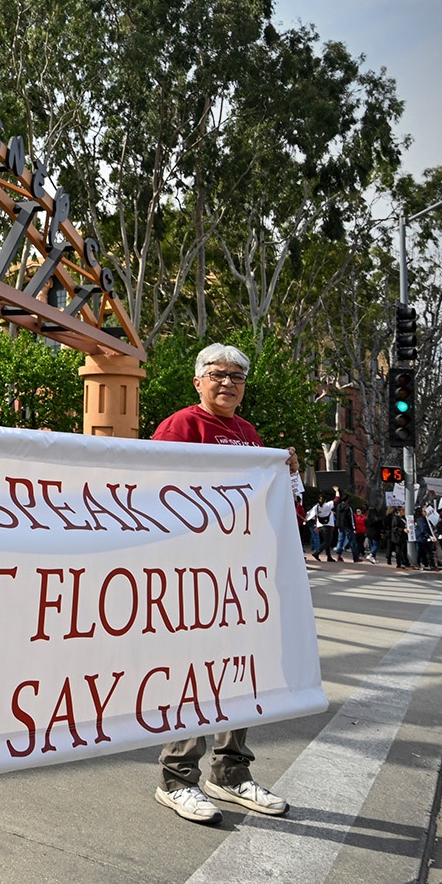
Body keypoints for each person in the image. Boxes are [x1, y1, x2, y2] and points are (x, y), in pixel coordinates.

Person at [147, 342, 295, 826]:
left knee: (239, 671)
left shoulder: (249, 434)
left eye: (237, 376)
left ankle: (230, 773)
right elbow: (155, 491)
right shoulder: (180, 427)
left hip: (241, 575)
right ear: (198, 382)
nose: (228, 383)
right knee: (194, 673)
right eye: (217, 374)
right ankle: (177, 779)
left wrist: (282, 470)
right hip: (194, 573)